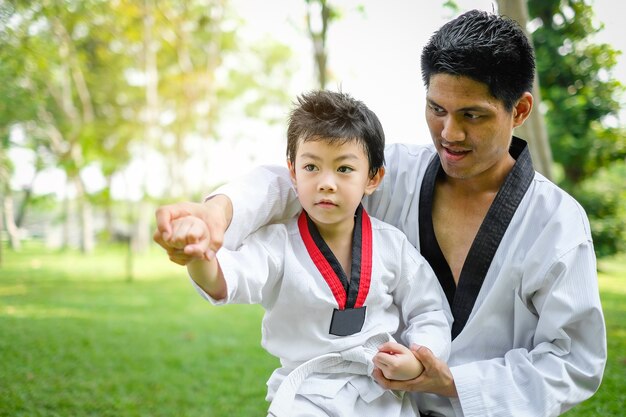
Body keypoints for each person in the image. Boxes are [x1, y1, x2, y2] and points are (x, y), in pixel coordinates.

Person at [154, 9, 607, 417]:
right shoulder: (397, 173)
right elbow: (294, 181)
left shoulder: (557, 223)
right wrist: (218, 215)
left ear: (520, 109)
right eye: (437, 109)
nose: (449, 132)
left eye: (472, 115)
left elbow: (574, 362)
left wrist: (450, 382)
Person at [160, 90, 451, 416]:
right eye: (311, 166)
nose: (326, 182)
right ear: (293, 173)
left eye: (344, 169)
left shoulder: (393, 245)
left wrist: (418, 357)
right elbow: (226, 280)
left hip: (381, 393)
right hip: (306, 398)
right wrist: (199, 254)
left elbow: (430, 310)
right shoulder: (277, 244)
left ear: (373, 178)